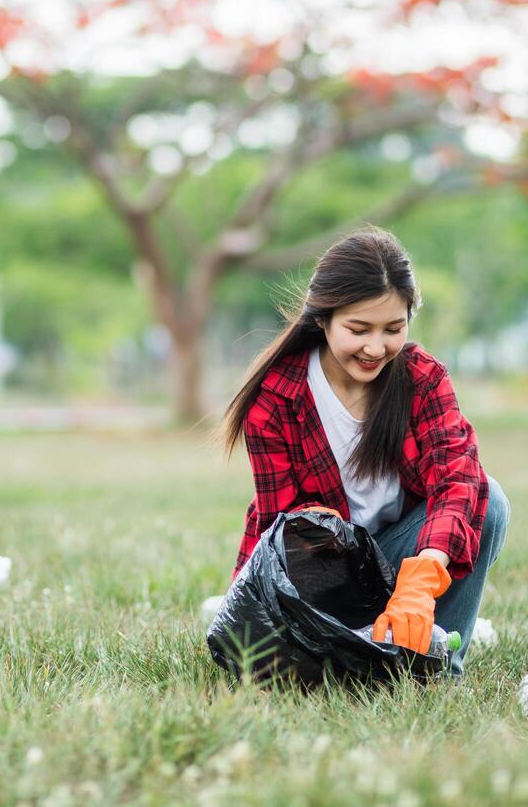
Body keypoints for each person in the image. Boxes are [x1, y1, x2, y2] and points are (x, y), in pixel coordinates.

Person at [219, 226, 510, 677]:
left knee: (488, 501)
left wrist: (422, 576)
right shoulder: (276, 400)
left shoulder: (422, 379)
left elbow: (458, 480)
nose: (376, 348)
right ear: (322, 319)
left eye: (393, 329)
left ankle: (436, 666)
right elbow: (293, 534)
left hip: (402, 560)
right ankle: (372, 648)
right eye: (359, 329)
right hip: (321, 573)